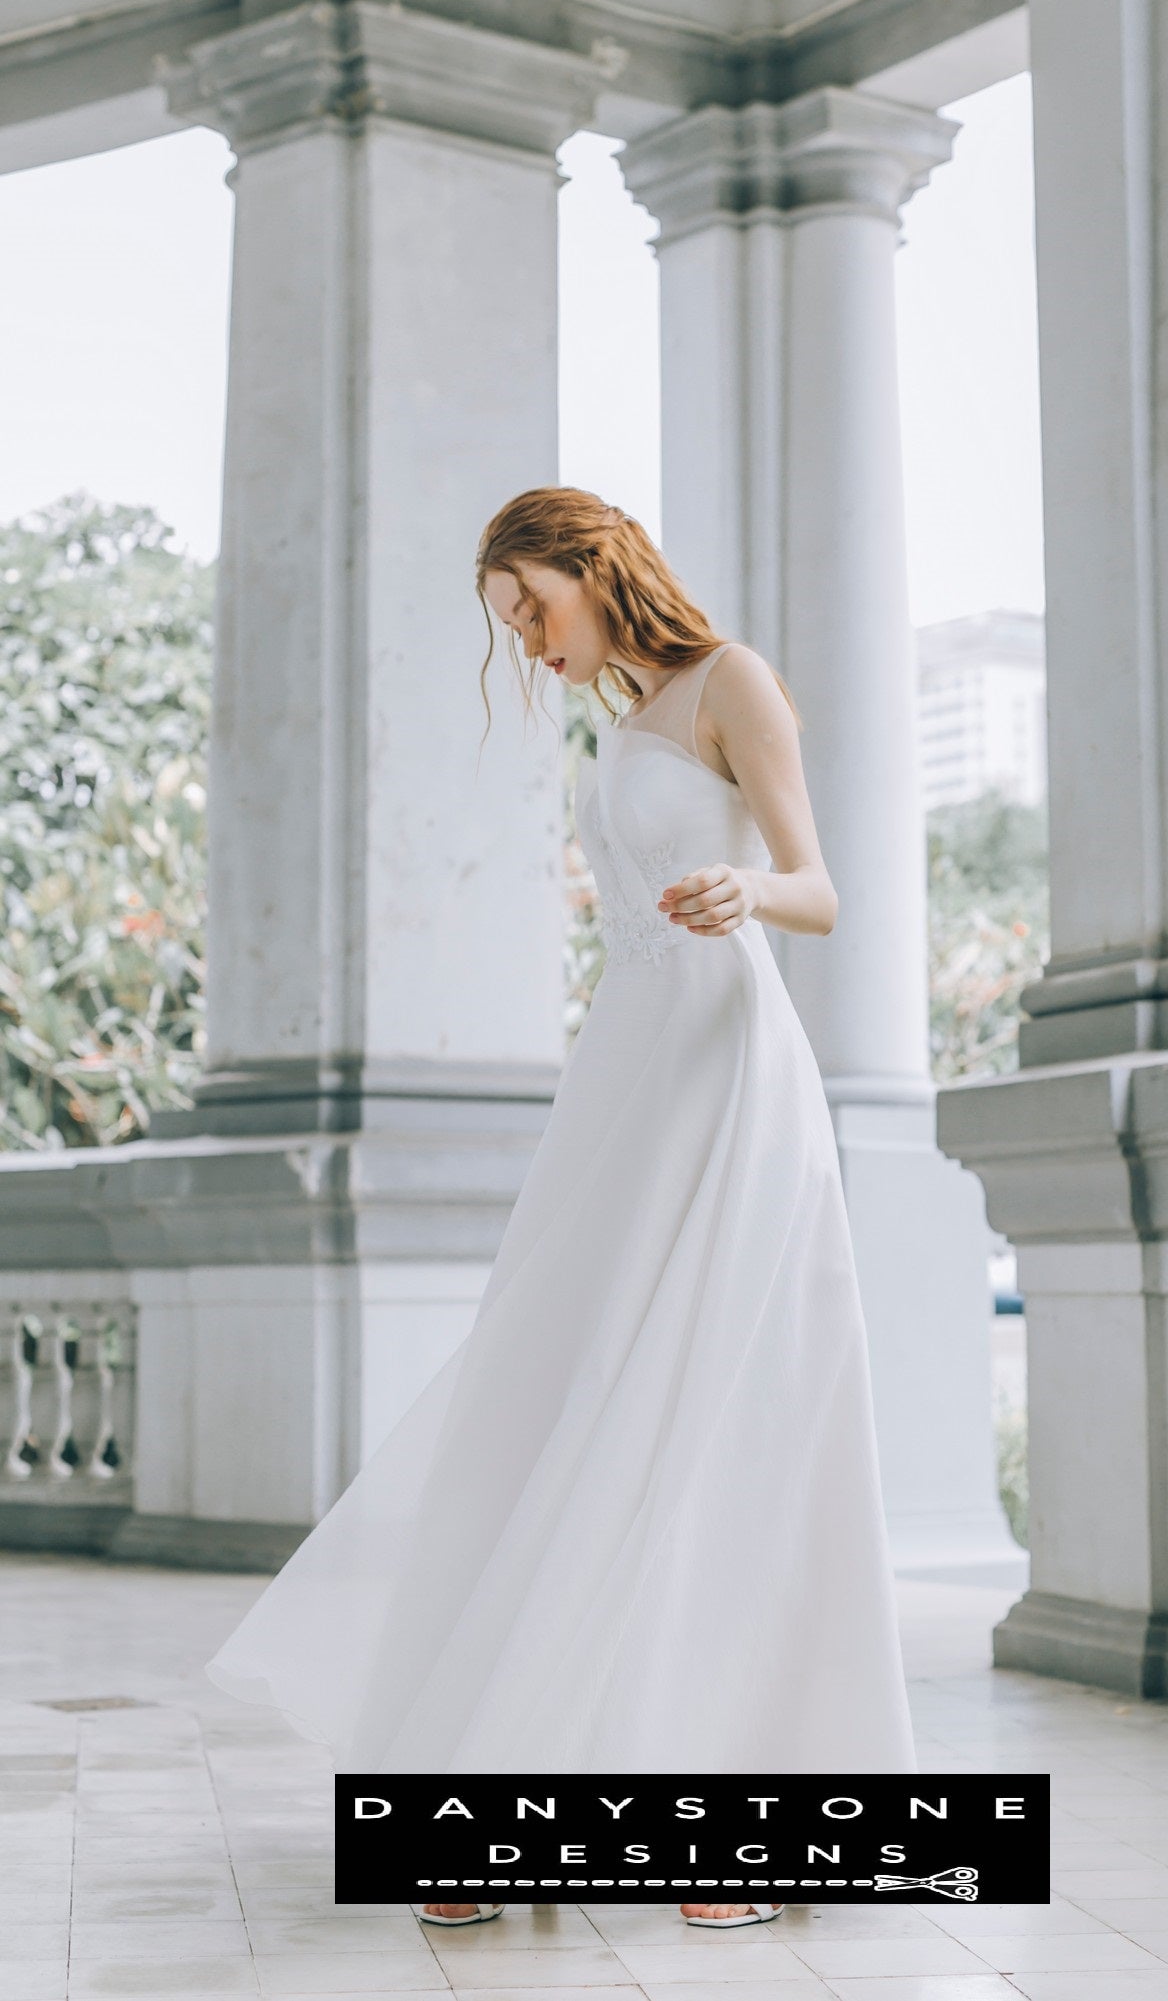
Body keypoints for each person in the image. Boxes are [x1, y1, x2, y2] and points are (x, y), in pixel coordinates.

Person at [202, 487, 916, 1933]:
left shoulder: (735, 683)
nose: (522, 635)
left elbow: (826, 891)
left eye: (531, 601)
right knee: (562, 1396)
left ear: (596, 566)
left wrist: (746, 887)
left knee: (718, 1413)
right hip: (628, 1077)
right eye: (507, 616)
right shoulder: (617, 721)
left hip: (731, 1076)